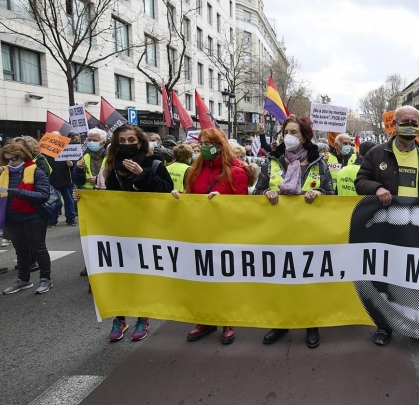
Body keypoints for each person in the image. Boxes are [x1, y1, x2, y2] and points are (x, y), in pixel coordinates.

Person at [355, 105, 419, 346]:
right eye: (404, 121)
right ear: (393, 125)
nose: (409, 125)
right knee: (385, 275)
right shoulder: (376, 154)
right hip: (387, 227)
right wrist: (377, 188)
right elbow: (360, 181)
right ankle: (384, 325)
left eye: (414, 122)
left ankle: (418, 328)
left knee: (417, 277)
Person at [74, 124, 174, 342]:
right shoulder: (111, 165)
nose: (127, 144)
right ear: (116, 143)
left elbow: (166, 190)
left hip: (146, 229)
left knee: (141, 274)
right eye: (123, 141)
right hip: (118, 229)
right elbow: (107, 196)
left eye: (132, 140)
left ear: (140, 141)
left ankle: (142, 317)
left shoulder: (154, 161)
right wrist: (87, 200)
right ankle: (119, 318)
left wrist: (142, 174)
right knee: (119, 273)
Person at [254, 115, 334, 349]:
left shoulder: (318, 163)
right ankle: (281, 323)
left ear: (305, 136)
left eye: (294, 133)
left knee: (308, 280)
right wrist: (264, 195)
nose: (288, 137)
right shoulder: (271, 162)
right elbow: (256, 192)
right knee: (280, 279)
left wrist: (320, 194)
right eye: (286, 132)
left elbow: (332, 193)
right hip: (278, 234)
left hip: (309, 234)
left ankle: (311, 324)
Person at [173, 129, 252, 345]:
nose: (204, 147)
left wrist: (224, 202)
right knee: (202, 278)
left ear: (219, 144)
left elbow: (244, 207)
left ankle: (227, 320)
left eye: (209, 143)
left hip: (225, 236)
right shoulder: (195, 170)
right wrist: (180, 199)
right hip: (200, 235)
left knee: (224, 279)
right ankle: (206, 319)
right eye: (202, 142)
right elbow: (191, 197)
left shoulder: (236, 171)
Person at [0, 140, 53, 295]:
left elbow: (43, 195)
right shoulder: (3, 172)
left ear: (22, 156)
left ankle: (45, 279)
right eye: (7, 159)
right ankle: (23, 280)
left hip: (33, 217)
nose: (10, 162)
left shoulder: (36, 172)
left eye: (13, 159)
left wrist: (16, 192)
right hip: (11, 218)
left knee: (38, 249)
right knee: (21, 251)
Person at [46, 133, 77, 227]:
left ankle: (71, 219)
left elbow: (76, 161)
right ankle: (52, 220)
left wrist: (72, 164)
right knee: (53, 201)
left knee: (69, 201)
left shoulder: (67, 149)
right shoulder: (46, 151)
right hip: (53, 180)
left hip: (66, 179)